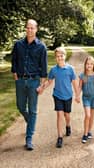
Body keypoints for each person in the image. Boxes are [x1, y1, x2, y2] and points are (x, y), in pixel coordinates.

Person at [11, 19, 48, 150]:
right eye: (28, 27)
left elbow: (44, 68)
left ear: (36, 29)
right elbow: (14, 61)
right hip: (20, 80)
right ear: (25, 29)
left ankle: (29, 138)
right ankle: (30, 121)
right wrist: (15, 75)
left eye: (32, 28)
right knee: (20, 106)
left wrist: (42, 85)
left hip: (34, 81)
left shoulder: (41, 47)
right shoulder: (18, 45)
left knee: (32, 109)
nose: (30, 30)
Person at [37, 47, 79, 148]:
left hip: (68, 95)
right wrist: (42, 88)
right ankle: (60, 137)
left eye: (61, 56)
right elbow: (49, 81)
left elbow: (74, 82)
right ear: (55, 58)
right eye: (57, 56)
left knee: (66, 115)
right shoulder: (53, 70)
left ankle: (68, 125)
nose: (60, 58)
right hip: (57, 95)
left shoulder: (70, 69)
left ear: (65, 56)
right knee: (59, 115)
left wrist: (77, 95)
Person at [78, 56, 94, 143]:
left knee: (92, 116)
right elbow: (80, 87)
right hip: (86, 98)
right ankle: (85, 133)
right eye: (87, 64)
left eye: (91, 64)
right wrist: (77, 95)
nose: (89, 65)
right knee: (87, 115)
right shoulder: (83, 75)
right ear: (85, 65)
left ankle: (89, 131)